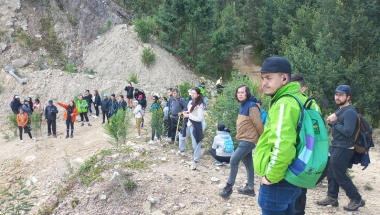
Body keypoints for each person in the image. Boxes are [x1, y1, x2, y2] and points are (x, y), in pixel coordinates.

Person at [253, 56, 309, 214]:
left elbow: (282, 146)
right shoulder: (300, 98)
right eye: (263, 78)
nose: (264, 82)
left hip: (278, 180)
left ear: (284, 78)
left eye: (269, 78)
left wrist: (271, 177)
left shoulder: (283, 104)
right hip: (292, 177)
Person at [317, 85, 365, 211]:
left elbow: (348, 131)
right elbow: (339, 127)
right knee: (331, 173)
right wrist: (332, 122)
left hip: (344, 148)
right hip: (335, 146)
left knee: (339, 175)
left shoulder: (349, 112)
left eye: (341, 95)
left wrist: (334, 122)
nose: (337, 97)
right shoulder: (340, 110)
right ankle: (332, 197)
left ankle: (356, 199)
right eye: (336, 94)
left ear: (348, 97)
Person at [219, 85, 263, 198]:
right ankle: (250, 188)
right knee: (248, 163)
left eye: (242, 92)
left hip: (248, 139)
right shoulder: (243, 105)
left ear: (247, 93)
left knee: (234, 160)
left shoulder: (252, 106)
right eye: (238, 92)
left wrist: (263, 137)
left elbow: (258, 123)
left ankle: (228, 187)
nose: (240, 94)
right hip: (243, 138)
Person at [292, 73, 325, 215]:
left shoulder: (310, 105)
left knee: (297, 189)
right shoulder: (289, 102)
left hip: (301, 151)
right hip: (298, 151)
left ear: (303, 89)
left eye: (296, 87)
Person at [178, 87, 205, 170]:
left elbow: (199, 118)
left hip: (195, 125)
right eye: (191, 93)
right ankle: (182, 151)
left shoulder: (199, 104)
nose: (192, 95)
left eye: (194, 93)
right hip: (189, 123)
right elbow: (190, 112)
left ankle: (195, 160)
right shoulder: (190, 102)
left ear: (198, 95)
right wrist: (185, 113)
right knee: (181, 136)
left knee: (195, 143)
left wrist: (189, 115)